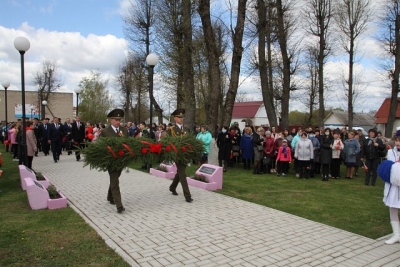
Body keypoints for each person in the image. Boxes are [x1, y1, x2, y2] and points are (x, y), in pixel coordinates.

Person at [99, 109, 129, 213]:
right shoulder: (105, 132)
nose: (118, 122)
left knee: (114, 179)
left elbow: (128, 143)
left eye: (119, 119)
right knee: (115, 181)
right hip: (111, 161)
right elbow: (100, 146)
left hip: (121, 160)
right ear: (111, 120)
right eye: (116, 119)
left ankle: (110, 196)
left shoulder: (124, 130)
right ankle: (119, 205)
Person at [166, 108, 193, 203]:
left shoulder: (186, 129)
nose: (181, 119)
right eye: (179, 117)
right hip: (177, 154)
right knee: (182, 173)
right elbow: (168, 142)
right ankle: (187, 195)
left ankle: (172, 187)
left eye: (182, 117)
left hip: (185, 154)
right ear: (175, 118)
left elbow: (190, 140)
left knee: (180, 172)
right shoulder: (171, 130)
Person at [382, 137, 400, 244]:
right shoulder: (391, 152)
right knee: (393, 208)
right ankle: (396, 235)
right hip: (393, 186)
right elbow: (390, 167)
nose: (398, 143)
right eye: (397, 140)